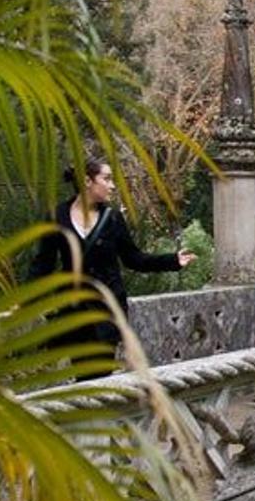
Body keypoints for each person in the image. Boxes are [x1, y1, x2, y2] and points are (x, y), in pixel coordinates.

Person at [29, 155, 195, 373]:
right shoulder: (57, 217)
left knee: (100, 376)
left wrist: (172, 260)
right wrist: (25, 302)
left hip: (107, 310)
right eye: (106, 179)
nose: (112, 186)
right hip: (74, 312)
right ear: (88, 181)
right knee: (82, 376)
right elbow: (43, 264)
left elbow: (134, 259)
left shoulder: (113, 218)